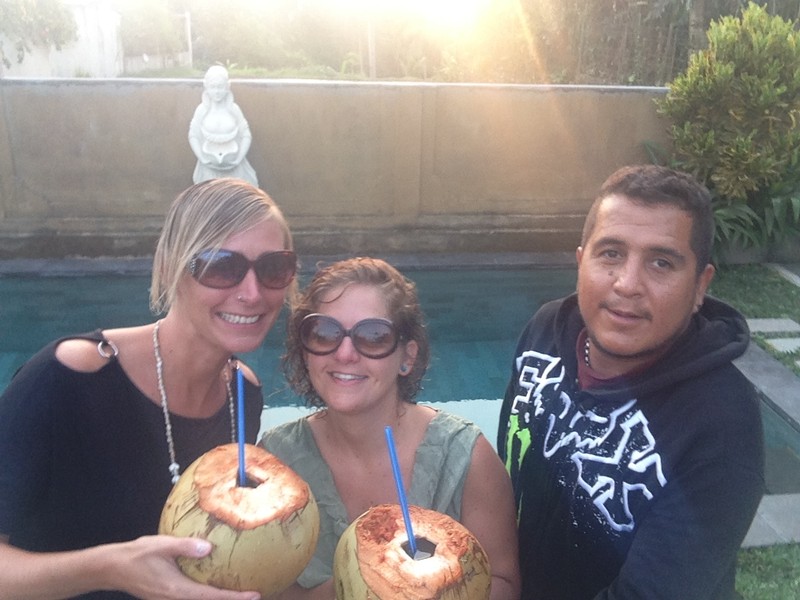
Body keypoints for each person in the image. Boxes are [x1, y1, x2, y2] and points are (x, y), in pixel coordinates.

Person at [0, 178, 298, 600]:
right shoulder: (68, 378)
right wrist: (105, 569)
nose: (252, 293)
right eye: (220, 266)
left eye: (273, 268)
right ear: (170, 269)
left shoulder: (242, 393)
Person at [497, 164, 766, 600]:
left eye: (661, 262)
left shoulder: (721, 422)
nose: (627, 284)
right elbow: (508, 469)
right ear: (581, 261)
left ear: (700, 285)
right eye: (611, 253)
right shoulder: (545, 332)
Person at [259, 256, 521, 600]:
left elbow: (502, 582)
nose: (345, 353)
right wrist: (362, 584)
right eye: (324, 332)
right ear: (306, 350)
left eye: (373, 336)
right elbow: (261, 588)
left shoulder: (466, 458)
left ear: (407, 357)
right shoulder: (275, 462)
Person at [189, 65, 259, 187]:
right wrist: (202, 159)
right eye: (213, 87)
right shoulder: (202, 110)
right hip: (209, 168)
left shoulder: (234, 109)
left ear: (227, 86)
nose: (217, 92)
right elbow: (193, 135)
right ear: (206, 87)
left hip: (234, 166)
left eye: (220, 87)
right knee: (211, 197)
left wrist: (238, 159)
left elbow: (246, 134)